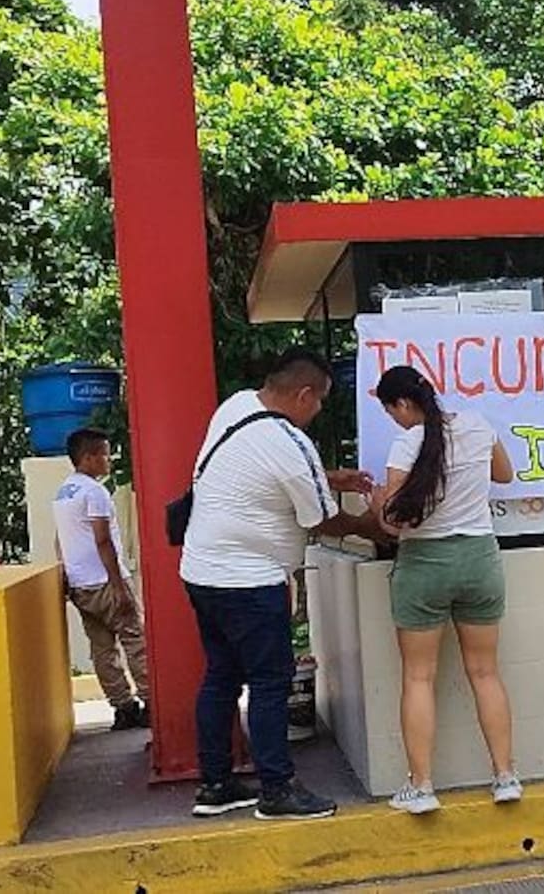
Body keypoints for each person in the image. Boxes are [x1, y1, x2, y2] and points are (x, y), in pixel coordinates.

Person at [181, 347, 379, 821]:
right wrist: (372, 527)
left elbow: (260, 472)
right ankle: (277, 788)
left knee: (221, 677)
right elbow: (323, 520)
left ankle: (215, 785)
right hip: (250, 582)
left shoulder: (236, 407)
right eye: (321, 400)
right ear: (305, 394)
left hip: (201, 572)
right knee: (271, 682)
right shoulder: (292, 444)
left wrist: (330, 478)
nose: (320, 409)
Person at [370, 365, 521, 813]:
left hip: (424, 565)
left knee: (419, 677)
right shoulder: (477, 426)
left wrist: (376, 502)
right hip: (479, 560)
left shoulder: (407, 444)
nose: (394, 420)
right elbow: (504, 474)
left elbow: (394, 524)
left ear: (402, 404)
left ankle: (422, 787)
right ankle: (505, 776)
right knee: (486, 672)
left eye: (391, 412)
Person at [52, 428, 151, 732]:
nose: (109, 460)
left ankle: (122, 707)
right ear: (88, 457)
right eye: (105, 455)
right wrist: (119, 586)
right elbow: (103, 540)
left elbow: (60, 539)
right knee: (135, 640)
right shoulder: (95, 492)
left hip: (81, 585)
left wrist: (66, 574)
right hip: (105, 580)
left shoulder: (63, 492)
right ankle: (151, 702)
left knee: (102, 649)